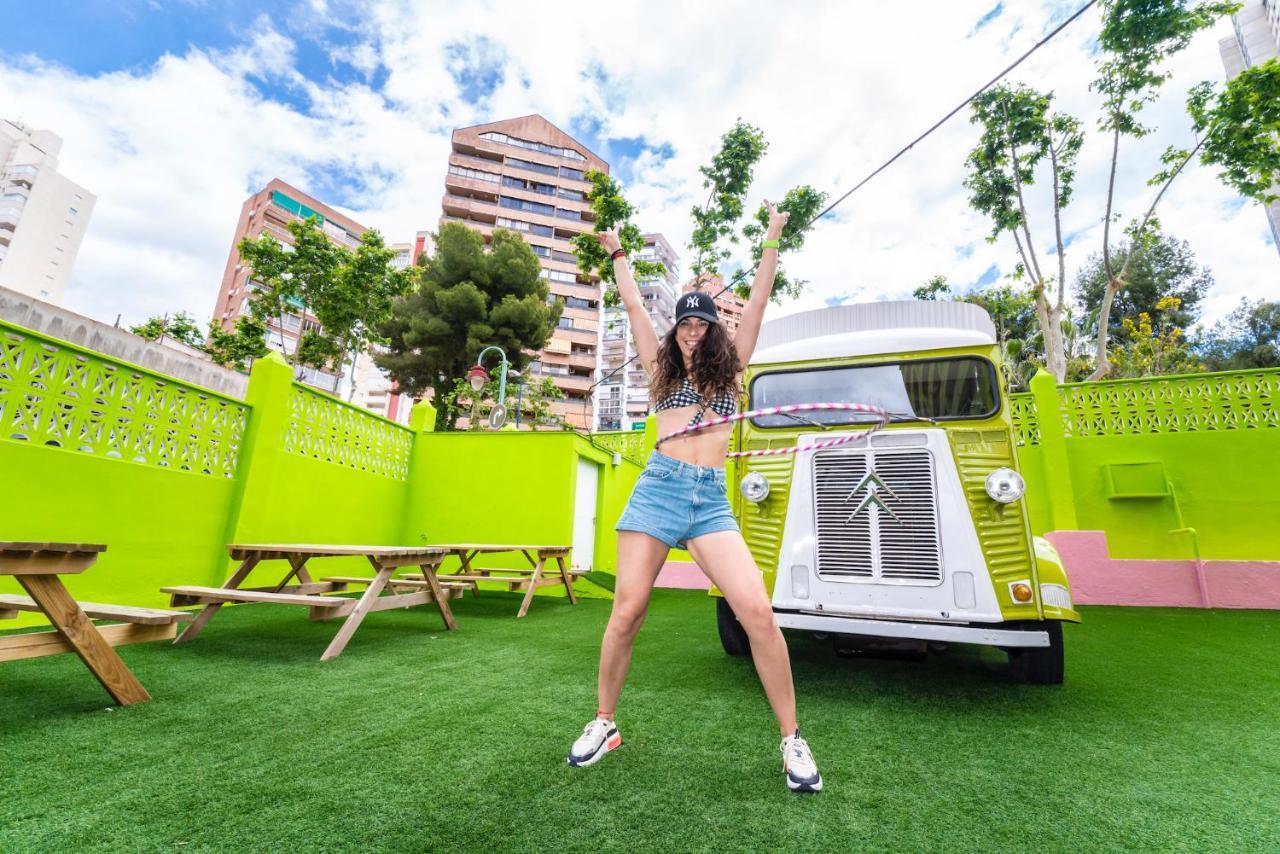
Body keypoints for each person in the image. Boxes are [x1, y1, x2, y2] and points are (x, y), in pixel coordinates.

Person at [566, 203, 822, 793]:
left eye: (701, 324)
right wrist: (617, 253)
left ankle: (791, 740)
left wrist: (774, 237)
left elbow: (756, 303)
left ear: (712, 330)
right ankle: (604, 723)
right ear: (675, 328)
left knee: (757, 612)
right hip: (658, 490)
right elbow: (633, 305)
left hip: (708, 501)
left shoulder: (731, 374)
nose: (690, 331)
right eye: (684, 323)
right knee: (627, 611)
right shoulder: (661, 370)